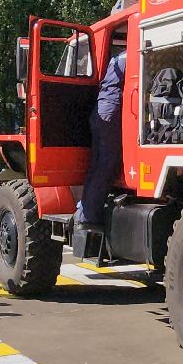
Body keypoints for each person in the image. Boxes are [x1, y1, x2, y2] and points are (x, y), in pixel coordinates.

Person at [77, 41, 126, 232]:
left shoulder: (117, 58)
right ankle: (90, 217)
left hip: (100, 111)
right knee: (107, 163)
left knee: (96, 165)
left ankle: (84, 213)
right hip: (111, 112)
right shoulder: (132, 56)